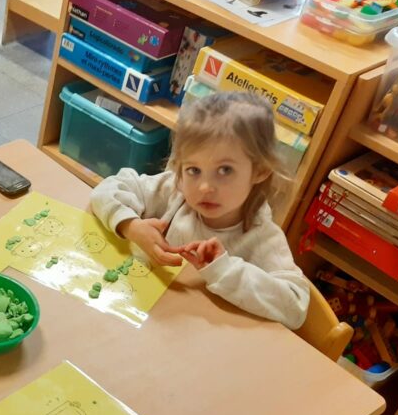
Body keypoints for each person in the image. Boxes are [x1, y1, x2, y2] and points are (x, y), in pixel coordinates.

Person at [89, 90, 310, 330]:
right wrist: (130, 225)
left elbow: (296, 306)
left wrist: (224, 269)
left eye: (225, 170)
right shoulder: (178, 191)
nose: (204, 187)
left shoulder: (263, 237)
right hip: (149, 317)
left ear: (259, 171)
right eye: (194, 170)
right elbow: (108, 189)